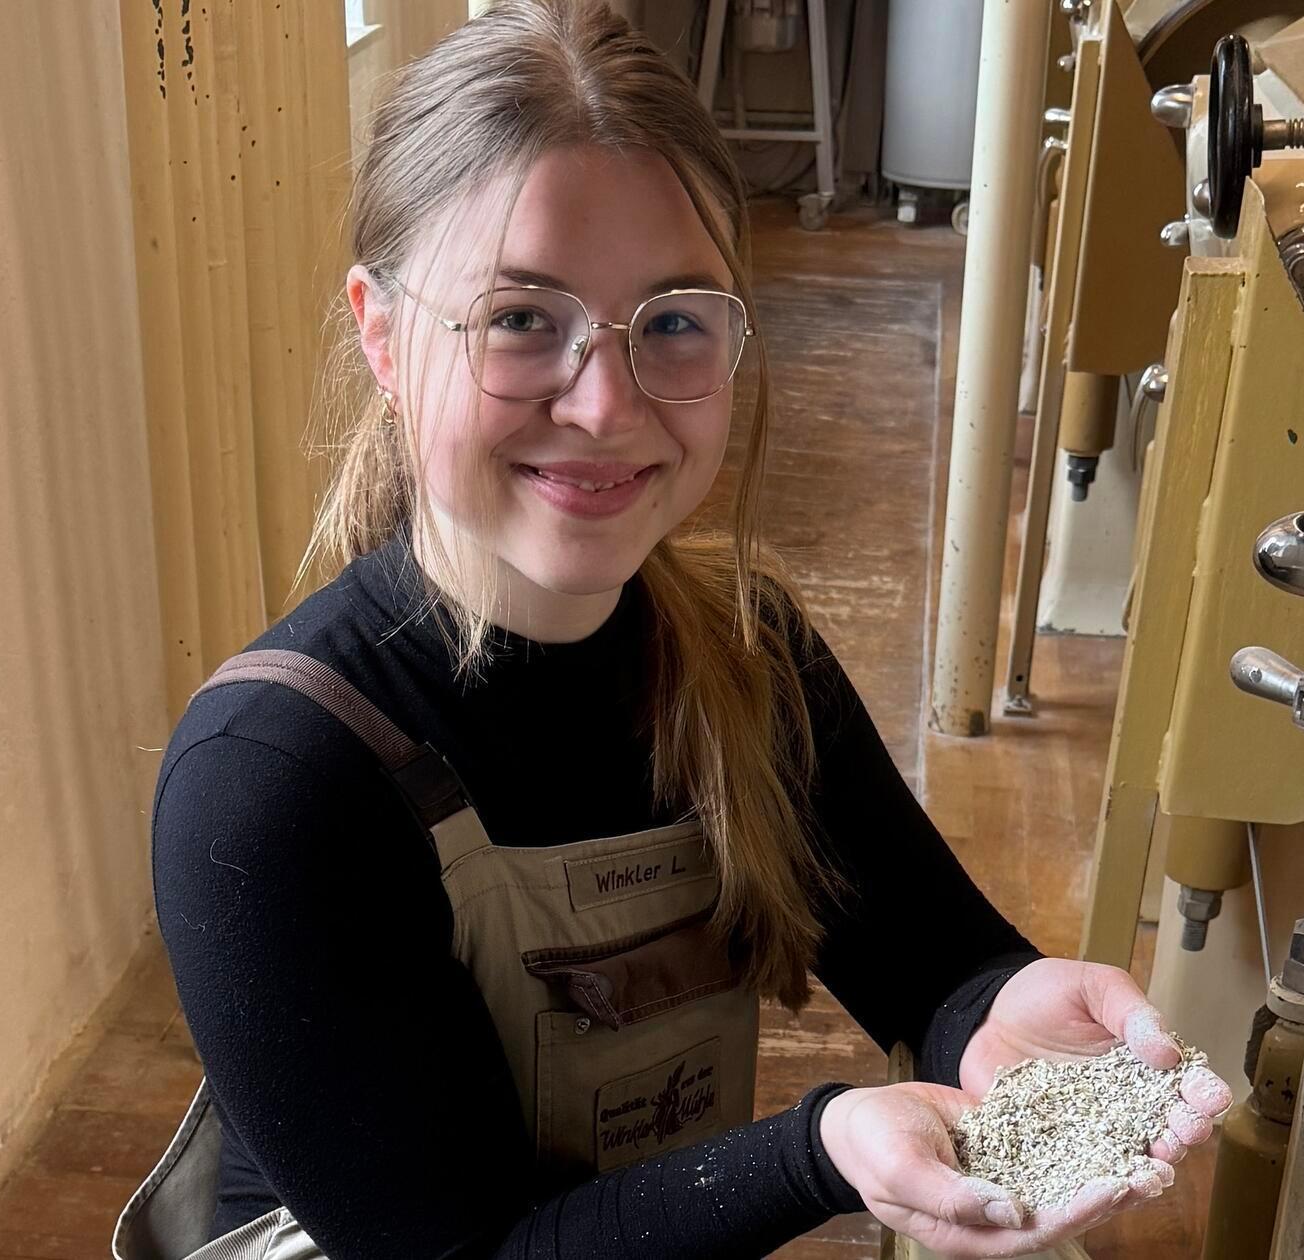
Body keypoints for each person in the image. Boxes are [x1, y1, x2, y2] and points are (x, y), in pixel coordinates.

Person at [127, 3, 1231, 1257]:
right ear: (381, 335)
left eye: (671, 323)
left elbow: (931, 962)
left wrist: (1002, 1010)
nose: (604, 406)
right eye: (518, 319)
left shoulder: (745, 657)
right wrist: (816, 1151)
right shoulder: (270, 782)